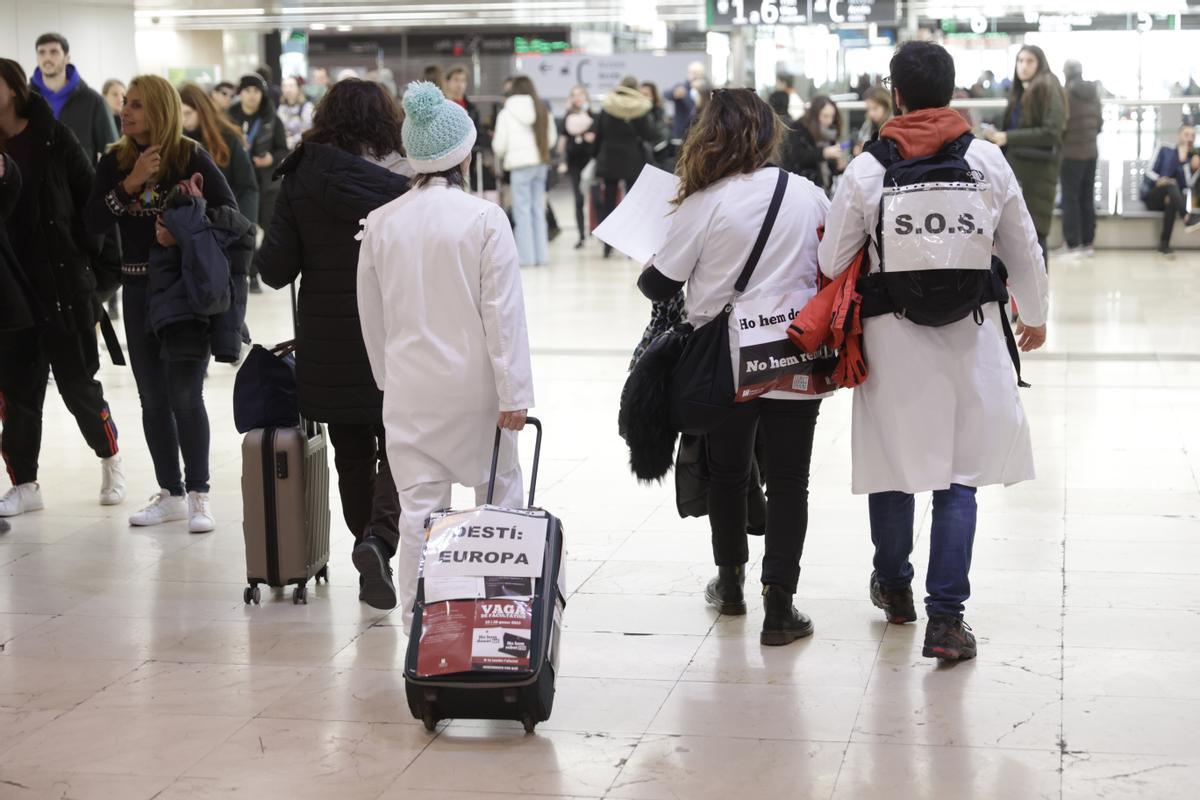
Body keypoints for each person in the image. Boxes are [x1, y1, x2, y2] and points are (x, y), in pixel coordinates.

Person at [818, 41, 1049, 661]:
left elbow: (830, 259)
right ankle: (946, 619)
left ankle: (895, 591)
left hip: (892, 339)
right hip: (971, 336)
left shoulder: (867, 168)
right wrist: (1038, 315)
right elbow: (1024, 244)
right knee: (958, 475)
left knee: (896, 466)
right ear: (953, 92)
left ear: (895, 93)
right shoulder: (987, 161)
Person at [636, 88, 829, 645]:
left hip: (725, 357)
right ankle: (781, 607)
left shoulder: (704, 201)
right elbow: (832, 261)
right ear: (767, 133)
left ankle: (732, 584)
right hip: (796, 349)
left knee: (729, 472)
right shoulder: (807, 194)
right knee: (792, 479)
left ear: (709, 134)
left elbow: (658, 285)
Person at [357, 81, 534, 629]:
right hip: (478, 392)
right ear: (464, 155)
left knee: (418, 515)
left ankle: (419, 629)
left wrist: (389, 381)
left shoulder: (381, 222)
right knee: (499, 503)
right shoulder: (483, 219)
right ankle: (506, 617)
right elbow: (501, 315)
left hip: (410, 392)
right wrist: (515, 394)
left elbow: (372, 315)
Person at [257, 79, 410, 609]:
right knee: (398, 444)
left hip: (328, 342)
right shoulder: (410, 177)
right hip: (394, 334)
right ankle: (380, 541)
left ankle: (371, 547)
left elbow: (275, 270)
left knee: (349, 453)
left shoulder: (302, 175)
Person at [84, 74, 240, 533]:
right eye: (125, 104)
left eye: (136, 105)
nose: (126, 111)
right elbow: (91, 222)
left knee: (186, 396)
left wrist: (181, 236)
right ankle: (170, 492)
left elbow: (231, 217)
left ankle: (199, 495)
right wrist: (130, 184)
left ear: (159, 110)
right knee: (152, 399)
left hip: (184, 294)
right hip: (136, 292)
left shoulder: (190, 155)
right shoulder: (115, 161)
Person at [0, 59, 125, 519]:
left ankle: (111, 458)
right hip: (11, 291)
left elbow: (91, 202)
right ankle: (25, 483)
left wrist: (96, 273)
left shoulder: (52, 137)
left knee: (78, 386)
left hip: (62, 283)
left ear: (13, 89)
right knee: (17, 394)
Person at [985, 45, 1066, 266]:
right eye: (1020, 61)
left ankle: (1039, 295)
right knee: (1025, 238)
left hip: (1037, 174)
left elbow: (1051, 132)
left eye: (1029, 61)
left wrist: (1008, 137)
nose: (1023, 66)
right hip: (1022, 172)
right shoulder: (1025, 91)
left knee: (1035, 236)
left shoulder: (1047, 86)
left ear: (1040, 63)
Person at [228, 73, 289, 292]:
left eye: (256, 91)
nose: (252, 96)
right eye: (247, 91)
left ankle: (258, 265)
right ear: (241, 93)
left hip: (267, 184)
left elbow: (284, 149)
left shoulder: (272, 118)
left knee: (269, 229)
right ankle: (251, 273)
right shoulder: (229, 117)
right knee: (246, 228)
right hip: (239, 183)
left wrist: (272, 159)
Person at [492, 75, 557, 267]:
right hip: (540, 163)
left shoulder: (506, 112)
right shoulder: (542, 108)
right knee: (538, 209)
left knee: (522, 211)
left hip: (519, 166)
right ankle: (541, 255)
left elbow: (499, 146)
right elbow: (551, 139)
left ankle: (527, 257)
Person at [178, 83, 259, 232]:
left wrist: (247, 228)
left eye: (188, 113)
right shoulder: (176, 142)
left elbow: (247, 187)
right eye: (179, 114)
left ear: (201, 110)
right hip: (189, 230)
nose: (183, 120)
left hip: (227, 225)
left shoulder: (227, 137)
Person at [28, 33, 118, 164]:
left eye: (54, 52)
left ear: (67, 58)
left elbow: (112, 149)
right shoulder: (23, 99)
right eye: (42, 52)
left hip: (80, 181)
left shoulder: (93, 101)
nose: (47, 57)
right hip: (33, 182)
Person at [593, 75, 657, 258]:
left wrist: (595, 156)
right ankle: (632, 247)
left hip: (609, 159)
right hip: (633, 160)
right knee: (633, 204)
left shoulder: (607, 106)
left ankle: (607, 245)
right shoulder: (641, 107)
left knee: (609, 202)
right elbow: (648, 134)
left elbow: (599, 134)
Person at [1056, 60, 1103, 258]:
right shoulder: (1094, 93)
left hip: (1071, 154)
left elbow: (1060, 125)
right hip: (1091, 152)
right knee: (1086, 197)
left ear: (1066, 73)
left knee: (1070, 198)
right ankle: (1088, 243)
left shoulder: (1065, 94)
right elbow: (1099, 123)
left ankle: (1073, 244)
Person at [1141, 124, 1200, 257]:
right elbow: (1148, 171)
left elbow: (1188, 184)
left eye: (1192, 136)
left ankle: (1164, 245)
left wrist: (1191, 166)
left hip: (1172, 198)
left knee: (1171, 196)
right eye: (1186, 134)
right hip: (1154, 195)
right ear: (1179, 136)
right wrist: (1159, 179)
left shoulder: (1191, 159)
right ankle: (1187, 217)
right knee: (1170, 184)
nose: (1189, 138)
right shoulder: (1164, 149)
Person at [780, 94, 846, 195]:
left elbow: (829, 168)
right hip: (802, 188)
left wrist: (838, 167)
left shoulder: (829, 133)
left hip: (824, 189)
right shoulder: (798, 128)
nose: (829, 120)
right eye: (825, 116)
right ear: (815, 115)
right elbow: (796, 157)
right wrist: (823, 153)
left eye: (832, 116)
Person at [559, 85, 595, 250]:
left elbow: (598, 135)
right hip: (574, 161)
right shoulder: (568, 115)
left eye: (580, 95)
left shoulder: (592, 114)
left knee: (596, 199)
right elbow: (563, 139)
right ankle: (581, 235)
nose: (578, 98)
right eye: (575, 95)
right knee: (578, 199)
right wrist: (562, 161)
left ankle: (598, 233)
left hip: (591, 161)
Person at [669, 61, 708, 141]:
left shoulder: (707, 89)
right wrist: (676, 93)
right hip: (682, 131)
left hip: (702, 129)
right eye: (693, 73)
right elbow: (666, 94)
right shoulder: (681, 87)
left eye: (698, 73)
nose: (695, 76)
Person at [276, 77, 314, 151]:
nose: (288, 90)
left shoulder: (307, 107)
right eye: (284, 86)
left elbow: (308, 131)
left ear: (298, 88)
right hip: (284, 148)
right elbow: (278, 128)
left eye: (291, 86)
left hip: (301, 149)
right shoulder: (281, 108)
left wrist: (293, 139)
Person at [853, 88, 892, 154]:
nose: (871, 113)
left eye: (875, 108)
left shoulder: (893, 124)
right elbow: (860, 141)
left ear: (886, 106)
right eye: (868, 109)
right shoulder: (869, 123)